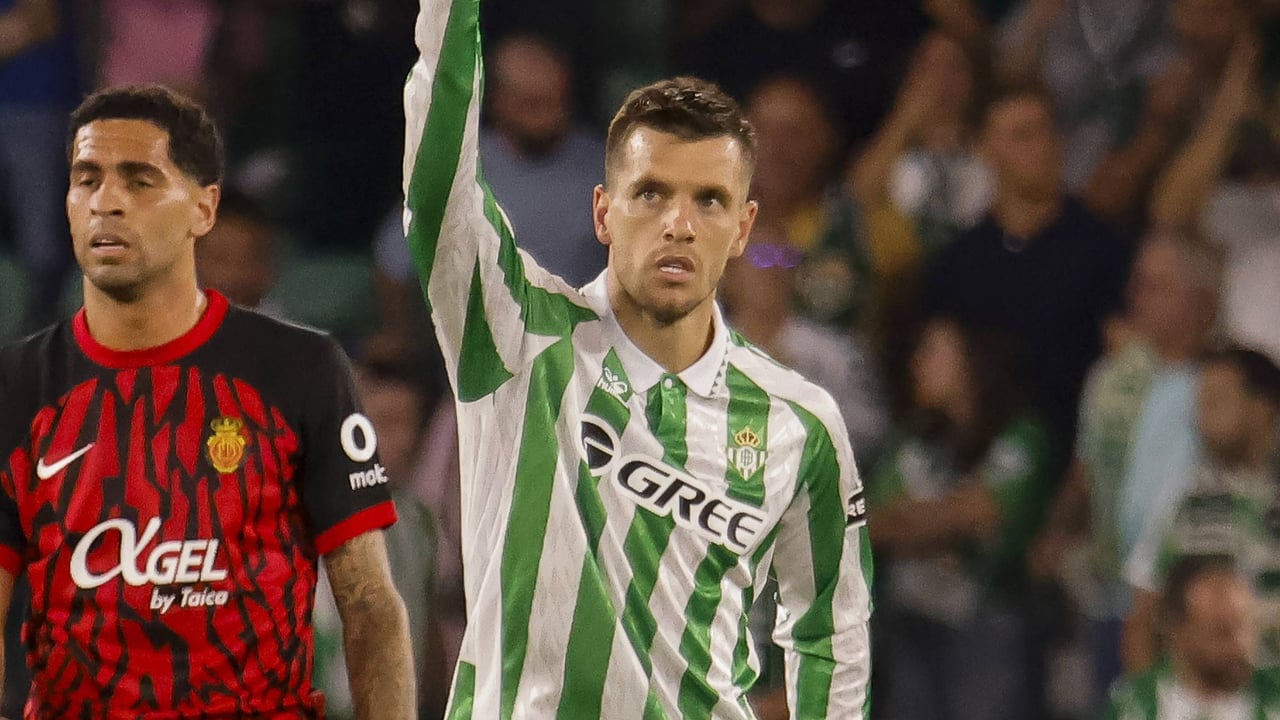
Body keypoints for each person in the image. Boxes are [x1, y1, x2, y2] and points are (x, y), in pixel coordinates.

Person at [403, 0, 872, 717]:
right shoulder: (517, 334)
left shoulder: (800, 422)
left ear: (743, 227)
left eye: (709, 201)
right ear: (602, 211)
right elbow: (439, 190)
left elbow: (832, 638)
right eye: (651, 193)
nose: (679, 224)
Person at [0, 85, 414, 718]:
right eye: (87, 179)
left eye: (139, 180)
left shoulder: (299, 369)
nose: (106, 201)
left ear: (204, 208)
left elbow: (369, 605)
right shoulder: (17, 385)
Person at [869, 315, 1053, 720]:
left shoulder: (1019, 438)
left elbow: (983, 513)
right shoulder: (914, 438)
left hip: (984, 629)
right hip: (910, 623)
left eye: (932, 352)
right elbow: (873, 525)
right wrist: (944, 523)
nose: (917, 364)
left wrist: (918, 522)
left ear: (971, 361)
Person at [1124, 346, 1280, 672]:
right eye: (1200, 405)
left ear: (1264, 407)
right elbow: (1143, 617)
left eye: (1217, 401)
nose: (1202, 418)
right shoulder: (1184, 500)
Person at [1103, 557, 1280, 719]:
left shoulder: (1274, 698)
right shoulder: (1134, 707)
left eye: (1245, 627)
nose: (1239, 645)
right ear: (1177, 632)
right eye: (1221, 633)